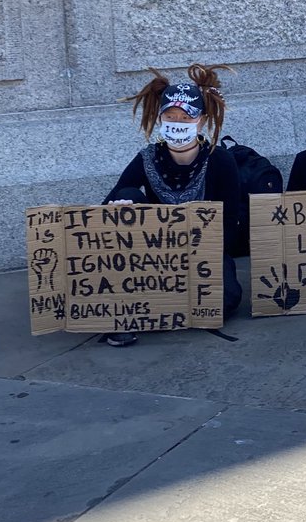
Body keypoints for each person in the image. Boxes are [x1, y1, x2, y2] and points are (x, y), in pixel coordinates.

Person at [101, 64, 244, 346]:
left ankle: (166, 306)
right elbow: (109, 201)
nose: (178, 122)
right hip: (153, 260)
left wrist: (203, 251)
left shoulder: (221, 161)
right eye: (171, 116)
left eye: (186, 117)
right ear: (160, 118)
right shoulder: (147, 157)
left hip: (205, 255)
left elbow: (231, 222)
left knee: (226, 299)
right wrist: (122, 205)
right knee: (129, 193)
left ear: (201, 121)